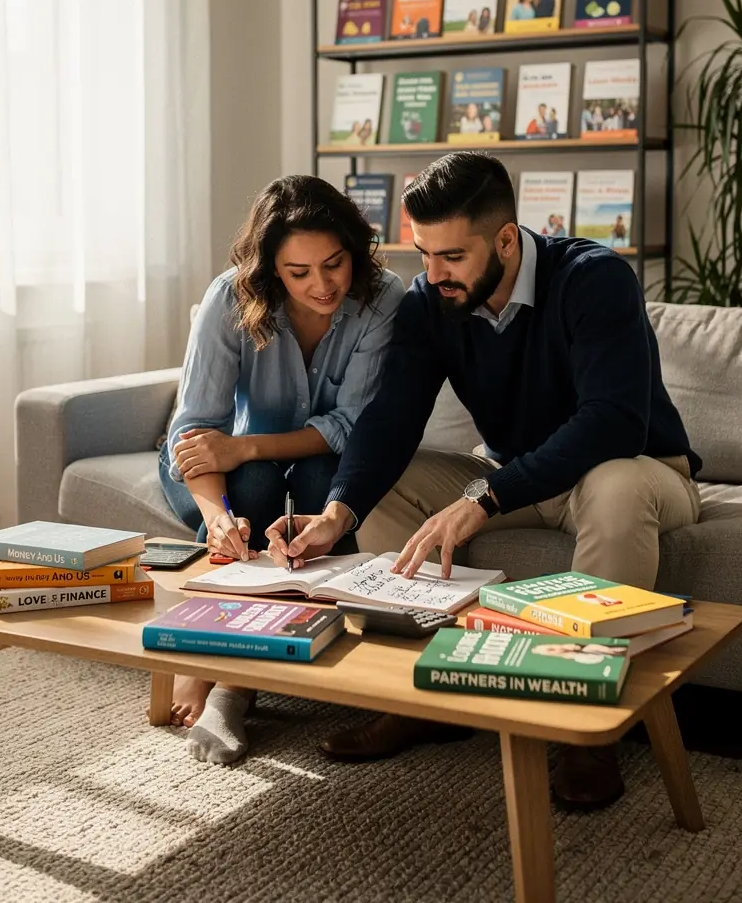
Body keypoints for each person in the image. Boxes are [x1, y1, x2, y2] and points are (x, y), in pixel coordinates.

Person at [265, 152, 701, 809]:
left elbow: (614, 423)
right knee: (394, 481)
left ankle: (587, 735)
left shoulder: (593, 277)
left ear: (505, 239)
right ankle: (419, 697)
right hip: (522, 478)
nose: (432, 274)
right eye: (423, 254)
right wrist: (337, 512)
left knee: (613, 485)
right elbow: (392, 419)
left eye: (451, 257)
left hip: (639, 470)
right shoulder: (429, 300)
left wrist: (485, 499)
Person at [159, 174, 404, 764]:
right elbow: (196, 433)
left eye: (334, 264)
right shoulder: (229, 298)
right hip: (225, 474)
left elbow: (350, 425)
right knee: (254, 487)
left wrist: (244, 447)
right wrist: (218, 519)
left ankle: (244, 676)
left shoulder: (384, 297)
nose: (321, 285)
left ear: (355, 249)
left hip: (307, 460)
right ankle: (210, 658)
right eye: (298, 273)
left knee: (323, 483)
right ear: (271, 270)